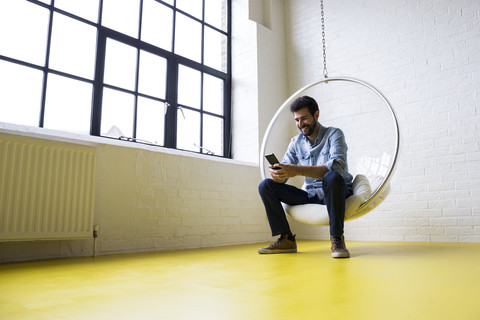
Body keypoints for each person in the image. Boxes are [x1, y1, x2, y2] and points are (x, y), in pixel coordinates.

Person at [258, 96, 354, 258]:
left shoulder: (334, 134)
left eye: (304, 118)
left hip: (335, 191)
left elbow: (337, 168)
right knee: (266, 185)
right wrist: (279, 174)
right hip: (311, 194)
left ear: (316, 115)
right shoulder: (295, 142)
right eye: (297, 120)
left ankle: (337, 239)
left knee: (331, 176)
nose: (300, 124)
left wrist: (296, 170)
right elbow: (286, 175)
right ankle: (286, 239)